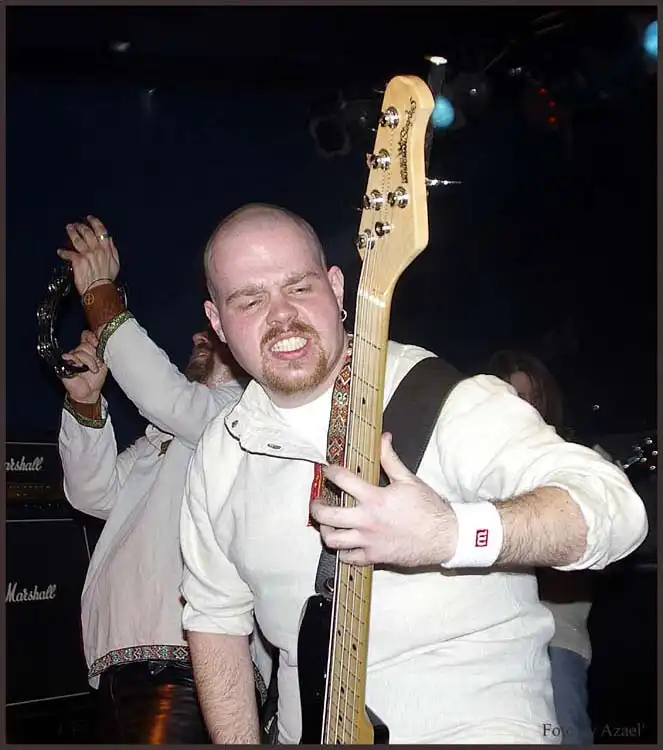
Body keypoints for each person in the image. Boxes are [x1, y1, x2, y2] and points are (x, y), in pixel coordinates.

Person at [179, 203, 648, 745]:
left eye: (299, 287)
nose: (282, 315)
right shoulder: (221, 453)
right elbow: (215, 619)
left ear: (337, 287)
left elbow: (615, 510)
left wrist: (452, 533)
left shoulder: (440, 399)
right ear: (217, 322)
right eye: (250, 300)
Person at [56, 217, 272, 743]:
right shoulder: (166, 437)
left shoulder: (244, 417)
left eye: (211, 336)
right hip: (122, 672)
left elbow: (165, 395)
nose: (198, 337)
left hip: (186, 671)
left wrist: (100, 293)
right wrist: (86, 403)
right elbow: (93, 494)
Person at [486, 350, 597, 745]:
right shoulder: (478, 463)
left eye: (533, 398)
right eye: (516, 398)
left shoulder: (575, 461)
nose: (526, 408)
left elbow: (609, 551)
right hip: (491, 644)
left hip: (557, 640)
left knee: (565, 734)